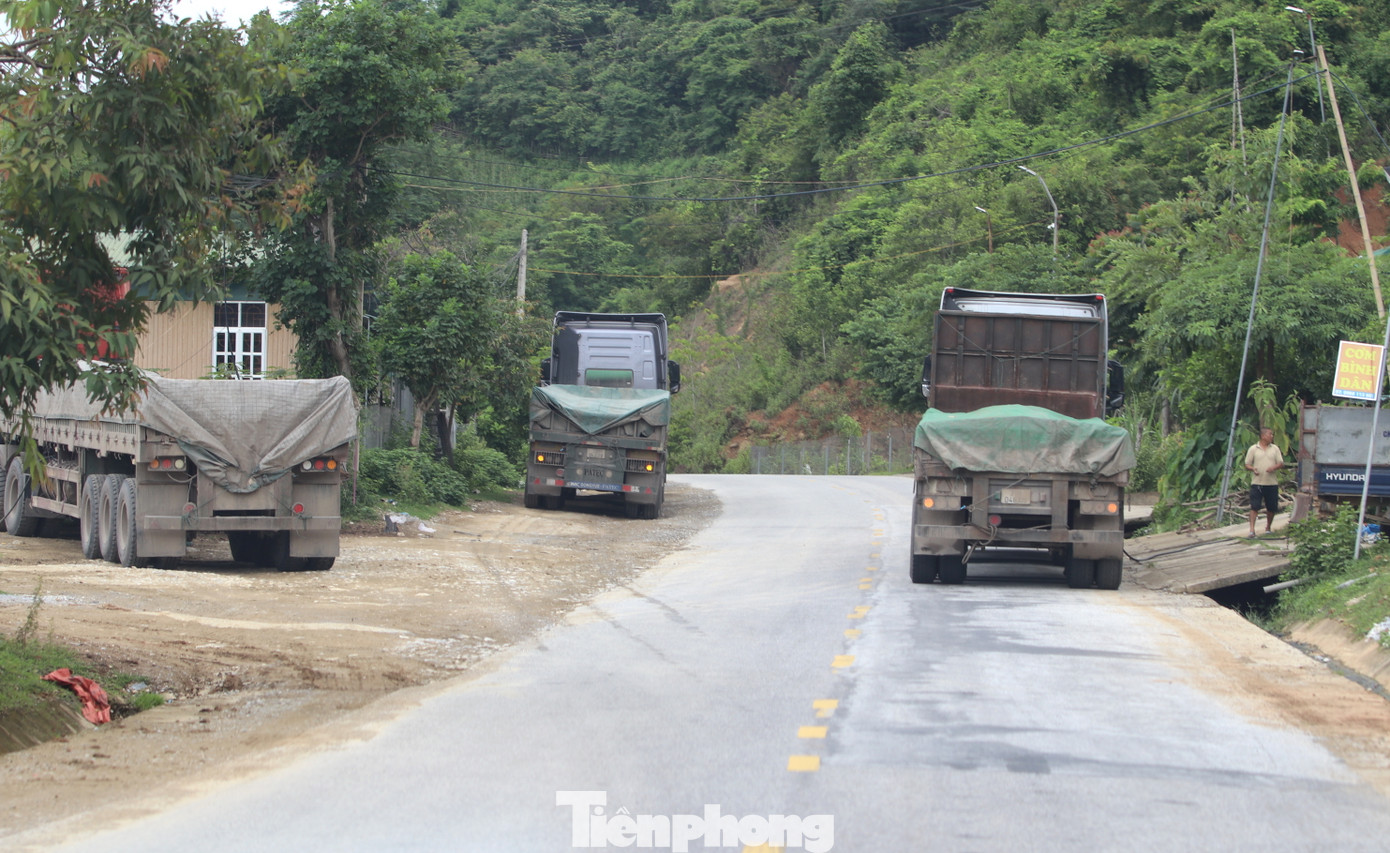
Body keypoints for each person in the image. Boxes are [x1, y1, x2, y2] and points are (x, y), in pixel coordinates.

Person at [1244, 427, 1284, 537]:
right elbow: (1247, 464)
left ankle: (1268, 527)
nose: (1272, 436)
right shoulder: (1253, 449)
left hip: (1271, 483)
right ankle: (1252, 530)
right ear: (1263, 436)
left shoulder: (1275, 448)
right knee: (1254, 506)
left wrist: (1273, 467)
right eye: (1270, 434)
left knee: (1271, 507)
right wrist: (1253, 469)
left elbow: (1281, 463)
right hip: (1257, 483)